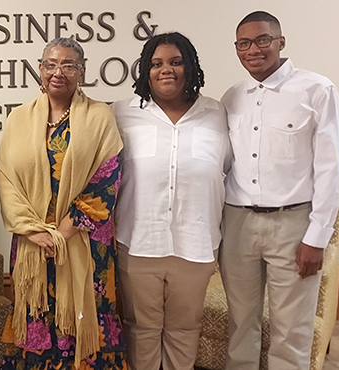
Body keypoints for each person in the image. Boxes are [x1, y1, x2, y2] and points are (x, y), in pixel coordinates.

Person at [219, 11, 339, 370]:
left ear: (280, 42)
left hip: (293, 224)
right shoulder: (231, 97)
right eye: (244, 43)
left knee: (292, 329)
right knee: (241, 323)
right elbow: (225, 165)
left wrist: (317, 238)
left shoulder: (317, 90)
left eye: (262, 40)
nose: (253, 49)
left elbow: (329, 167)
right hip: (237, 223)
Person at [0, 37, 126, 370]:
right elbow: (6, 179)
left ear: (81, 72)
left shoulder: (100, 117)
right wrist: (33, 231)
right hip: (33, 241)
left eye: (69, 65)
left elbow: (107, 178)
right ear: (40, 69)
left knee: (88, 315)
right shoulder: (18, 119)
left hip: (83, 241)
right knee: (36, 312)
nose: (59, 72)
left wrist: (63, 232)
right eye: (51, 64)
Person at [111, 32, 230, 370]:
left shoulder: (216, 114)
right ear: (145, 71)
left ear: (190, 67)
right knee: (141, 330)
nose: (167, 70)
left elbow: (229, 170)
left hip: (196, 244)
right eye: (157, 63)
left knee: (184, 329)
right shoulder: (122, 113)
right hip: (138, 243)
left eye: (176, 62)